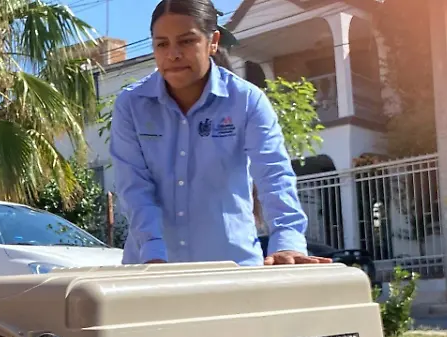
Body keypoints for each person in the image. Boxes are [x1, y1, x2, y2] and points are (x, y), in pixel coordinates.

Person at [110, 0, 332, 267]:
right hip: (149, 268)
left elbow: (274, 175)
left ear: (212, 41)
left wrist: (287, 241)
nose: (173, 54)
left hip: (232, 272)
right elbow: (134, 188)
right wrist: (153, 254)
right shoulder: (131, 105)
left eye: (186, 41)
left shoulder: (247, 101)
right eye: (162, 44)